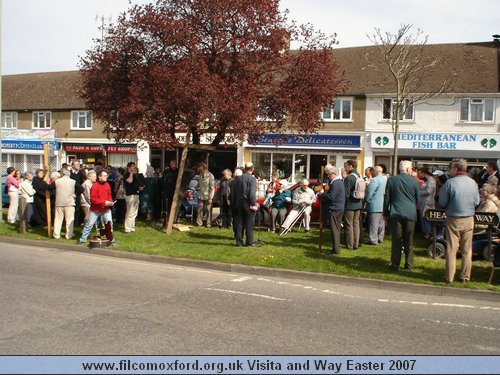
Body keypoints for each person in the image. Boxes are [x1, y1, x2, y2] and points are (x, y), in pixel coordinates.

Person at [439, 158, 480, 284]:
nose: (450, 170)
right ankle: (464, 276)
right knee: (467, 249)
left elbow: (442, 202)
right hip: (468, 218)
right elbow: (477, 201)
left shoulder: (450, 183)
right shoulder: (473, 183)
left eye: (451, 168)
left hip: (453, 218)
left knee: (452, 248)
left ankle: (449, 277)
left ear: (456, 169)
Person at [384, 160, 420, 271]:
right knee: (409, 240)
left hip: (396, 213)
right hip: (410, 213)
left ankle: (395, 264)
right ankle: (408, 264)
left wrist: (385, 213)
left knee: (396, 240)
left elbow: (387, 198)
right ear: (408, 169)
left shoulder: (392, 180)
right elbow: (417, 199)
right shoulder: (414, 182)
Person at [78, 169, 115, 245]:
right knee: (90, 224)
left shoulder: (107, 185)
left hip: (106, 209)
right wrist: (104, 202)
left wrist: (110, 202)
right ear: (99, 177)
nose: (106, 177)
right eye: (104, 176)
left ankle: (111, 240)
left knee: (109, 224)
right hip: (96, 209)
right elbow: (93, 199)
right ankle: (82, 239)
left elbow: (109, 195)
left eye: (106, 176)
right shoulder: (95, 186)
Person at [53, 168, 83, 240]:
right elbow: (81, 189)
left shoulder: (57, 181)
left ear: (62, 174)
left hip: (59, 203)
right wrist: (76, 194)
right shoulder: (73, 181)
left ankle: (56, 234)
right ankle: (69, 235)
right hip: (69, 203)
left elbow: (49, 187)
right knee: (69, 220)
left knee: (58, 220)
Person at [323, 165, 345, 255]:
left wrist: (323, 193)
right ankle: (335, 248)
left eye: (330, 174)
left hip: (335, 209)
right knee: (336, 229)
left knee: (335, 230)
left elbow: (331, 197)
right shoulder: (339, 182)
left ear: (334, 174)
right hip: (339, 208)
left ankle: (335, 249)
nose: (328, 176)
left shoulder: (335, 183)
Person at [364, 165, 387, 245]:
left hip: (374, 205)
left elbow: (370, 193)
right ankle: (380, 237)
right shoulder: (385, 180)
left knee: (373, 224)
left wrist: (366, 201)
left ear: (375, 171)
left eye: (372, 171)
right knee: (381, 223)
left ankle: (373, 239)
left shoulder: (374, 180)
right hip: (383, 204)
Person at [237, 162, 258, 246]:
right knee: (249, 224)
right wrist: (253, 204)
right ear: (252, 169)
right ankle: (249, 242)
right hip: (248, 202)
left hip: (239, 202)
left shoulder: (239, 178)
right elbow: (252, 193)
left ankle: (239, 242)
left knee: (240, 223)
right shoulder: (252, 179)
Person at [343, 159, 363, 249]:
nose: (345, 168)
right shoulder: (359, 176)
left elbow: (345, 194)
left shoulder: (349, 178)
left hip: (350, 205)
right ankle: (356, 243)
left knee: (349, 225)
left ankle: (350, 244)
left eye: (346, 166)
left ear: (350, 166)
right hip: (358, 203)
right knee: (356, 224)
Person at [123, 162, 144, 233]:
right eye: (132, 166)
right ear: (128, 167)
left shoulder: (135, 175)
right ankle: (127, 228)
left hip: (136, 194)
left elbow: (138, 183)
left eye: (134, 166)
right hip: (130, 195)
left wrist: (140, 187)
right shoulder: (126, 175)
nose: (133, 168)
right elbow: (129, 181)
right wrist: (131, 174)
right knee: (129, 212)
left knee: (134, 212)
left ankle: (132, 227)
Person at [417, 168, 436, 240]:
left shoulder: (431, 181)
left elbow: (428, 191)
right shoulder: (427, 181)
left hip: (428, 203)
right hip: (423, 202)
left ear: (423, 173)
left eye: (419, 174)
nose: (418, 175)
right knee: (423, 218)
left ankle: (429, 233)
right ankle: (426, 233)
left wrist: (418, 192)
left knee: (426, 218)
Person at [196, 162, 215, 228]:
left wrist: (210, 198)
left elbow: (212, 188)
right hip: (200, 195)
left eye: (201, 169)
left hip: (208, 196)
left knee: (208, 210)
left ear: (205, 169)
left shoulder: (210, 176)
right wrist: (195, 188)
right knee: (199, 209)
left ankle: (208, 224)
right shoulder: (200, 175)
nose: (200, 170)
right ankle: (199, 223)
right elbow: (199, 183)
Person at [229, 167, 243, 246]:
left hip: (233, 203)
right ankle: (239, 235)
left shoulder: (231, 183)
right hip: (241, 204)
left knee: (235, 220)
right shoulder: (242, 182)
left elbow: (229, 194)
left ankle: (235, 234)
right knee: (241, 221)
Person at [69, 159, 86, 225]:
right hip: (70, 192)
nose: (78, 166)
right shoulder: (69, 173)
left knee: (78, 207)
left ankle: (77, 222)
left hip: (78, 192)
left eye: (79, 165)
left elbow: (82, 183)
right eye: (76, 165)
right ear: (72, 166)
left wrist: (78, 193)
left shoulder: (80, 173)